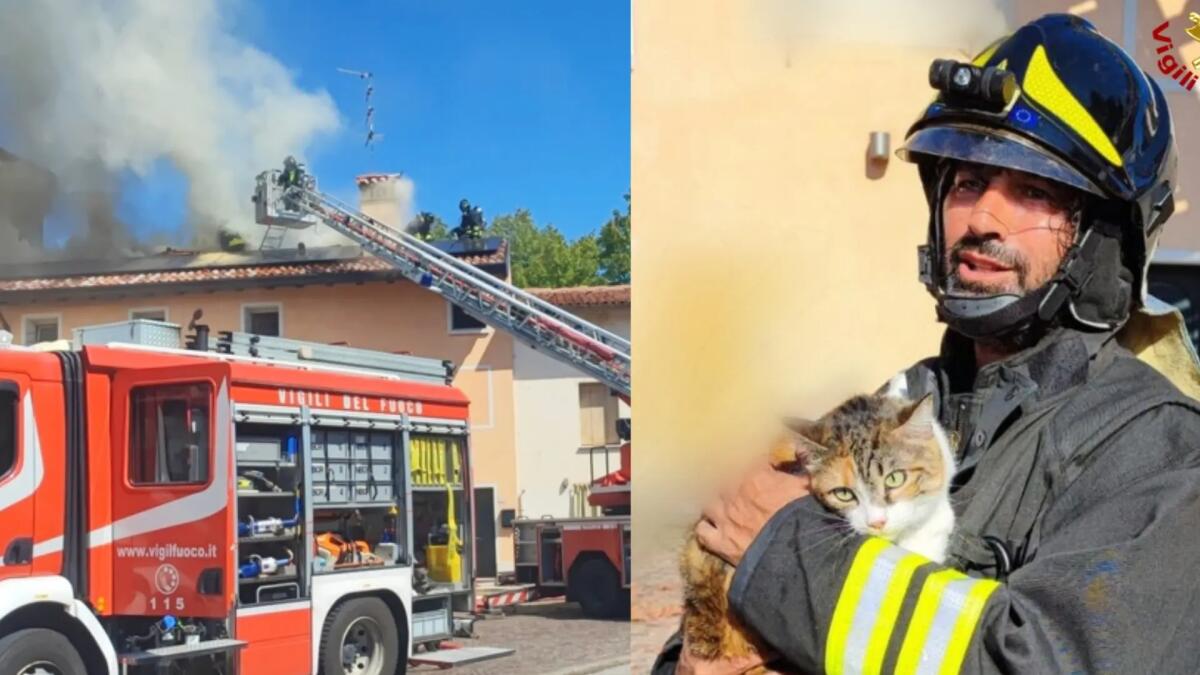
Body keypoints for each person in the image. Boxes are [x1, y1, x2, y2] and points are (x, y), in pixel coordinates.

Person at [656, 14, 1200, 674]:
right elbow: (715, 605)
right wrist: (690, 660)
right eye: (966, 183)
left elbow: (1045, 661)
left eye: (1032, 190)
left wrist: (783, 554)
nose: (981, 218)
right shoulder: (902, 402)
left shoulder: (1159, 451)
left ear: (1104, 239)